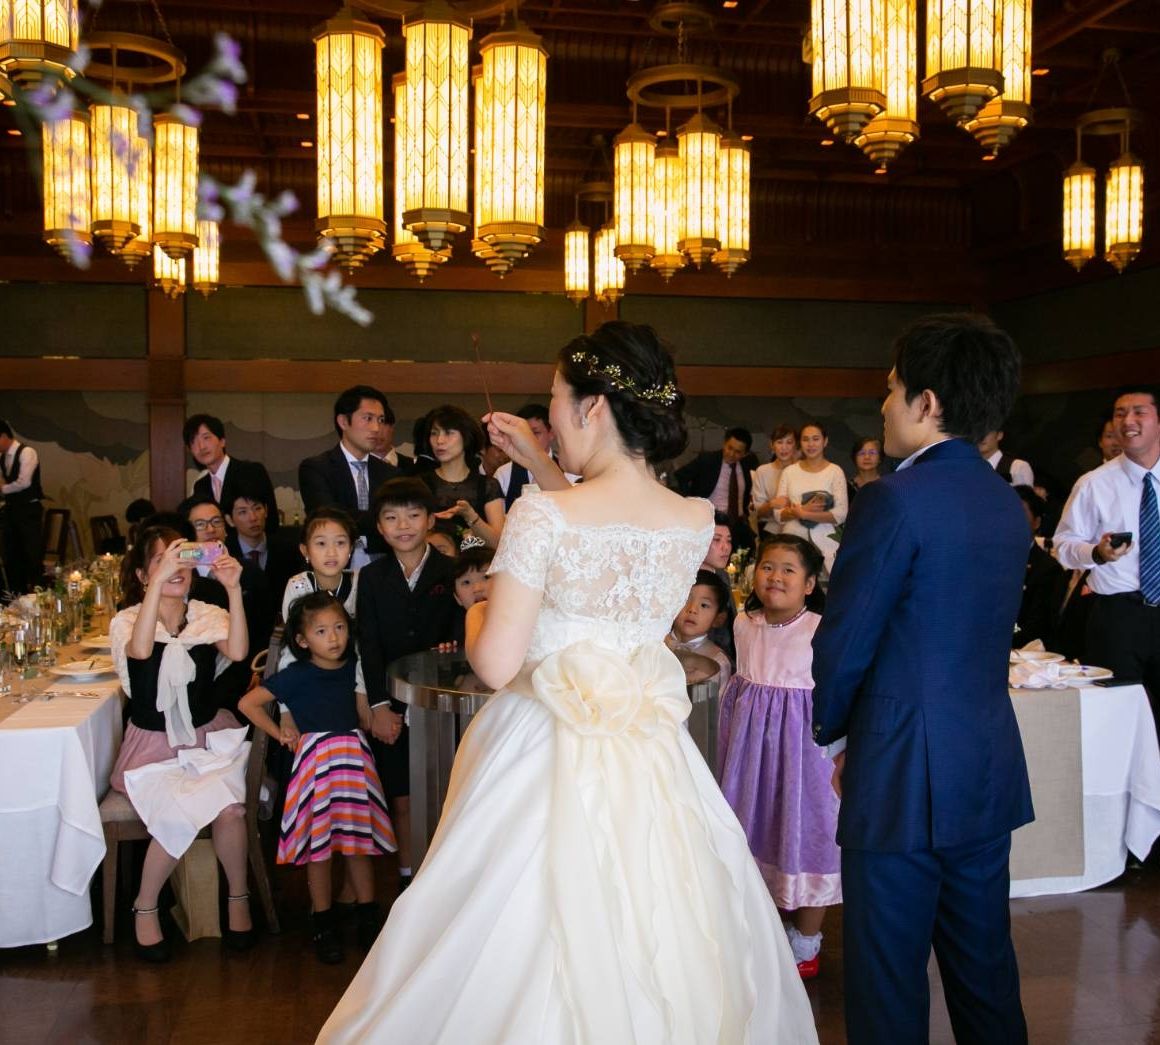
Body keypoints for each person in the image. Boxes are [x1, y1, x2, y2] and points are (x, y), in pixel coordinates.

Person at [317, 320, 817, 1044]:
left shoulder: (538, 515)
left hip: (543, 742)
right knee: (656, 919)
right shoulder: (690, 517)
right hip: (648, 753)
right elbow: (609, 533)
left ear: (593, 407)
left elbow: (495, 662)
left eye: (555, 398)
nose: (547, 417)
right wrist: (540, 465)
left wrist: (482, 604)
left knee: (516, 929)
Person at [812, 313, 1032, 1045]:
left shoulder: (894, 498)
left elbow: (846, 639)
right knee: (985, 972)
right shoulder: (1004, 502)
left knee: (887, 981)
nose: (883, 405)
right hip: (985, 762)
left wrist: (839, 735)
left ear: (927, 402)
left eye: (892, 388)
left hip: (899, 765)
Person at [108, 525, 254, 962]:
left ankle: (239, 898)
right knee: (176, 813)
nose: (175, 568)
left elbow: (239, 651)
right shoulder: (128, 621)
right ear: (142, 574)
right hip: (152, 749)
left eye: (182, 559)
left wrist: (233, 588)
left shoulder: (207, 615)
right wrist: (157, 587)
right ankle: (145, 905)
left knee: (231, 811)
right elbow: (139, 652)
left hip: (206, 743)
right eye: (161, 560)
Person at [239, 592, 395, 965]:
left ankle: (367, 916)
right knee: (318, 848)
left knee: (358, 844)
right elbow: (248, 703)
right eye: (322, 631)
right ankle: (323, 922)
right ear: (303, 640)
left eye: (339, 627)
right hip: (316, 766)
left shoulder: (354, 667)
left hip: (353, 763)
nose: (334, 637)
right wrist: (279, 732)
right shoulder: (296, 675)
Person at [718, 535, 839, 980]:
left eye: (789, 569)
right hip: (749, 756)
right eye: (768, 566)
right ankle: (761, 932)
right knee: (755, 829)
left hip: (804, 755)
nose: (775, 576)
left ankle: (806, 940)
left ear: (809, 584)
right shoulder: (743, 624)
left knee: (806, 832)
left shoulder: (820, 630)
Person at [356, 477, 460, 894]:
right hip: (394, 700)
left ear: (430, 520)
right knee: (400, 794)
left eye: (414, 515)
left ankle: (445, 875)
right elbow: (368, 643)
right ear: (380, 527)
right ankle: (407, 876)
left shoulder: (449, 570)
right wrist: (379, 706)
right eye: (392, 517)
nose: (403, 525)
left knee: (447, 788)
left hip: (442, 702)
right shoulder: (372, 576)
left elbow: (464, 627)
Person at [1053, 385, 1160, 710]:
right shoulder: (1094, 484)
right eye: (1119, 414)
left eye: (1139, 412)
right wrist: (1096, 554)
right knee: (1118, 712)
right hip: (1118, 617)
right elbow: (1062, 546)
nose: (1127, 421)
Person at [299, 386, 400, 561]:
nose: (376, 428)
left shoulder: (390, 473)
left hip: (383, 564)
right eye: (368, 418)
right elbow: (329, 516)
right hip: (334, 563)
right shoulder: (316, 468)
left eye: (381, 420)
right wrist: (384, 519)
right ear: (344, 421)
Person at [419, 404, 505, 549]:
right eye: (434, 433)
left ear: (466, 437)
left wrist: (470, 515)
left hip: (478, 562)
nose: (439, 440)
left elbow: (499, 544)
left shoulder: (488, 485)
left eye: (448, 433)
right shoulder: (420, 484)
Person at [774, 422, 849, 577]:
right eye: (805, 439)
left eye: (815, 439)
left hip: (825, 541)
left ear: (825, 441)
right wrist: (799, 511)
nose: (810, 444)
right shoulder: (789, 472)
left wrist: (804, 514)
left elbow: (840, 514)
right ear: (800, 443)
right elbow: (778, 514)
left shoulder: (835, 471)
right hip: (792, 539)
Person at [184, 414, 278, 532]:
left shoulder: (251, 471)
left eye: (206, 438)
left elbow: (270, 518)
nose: (201, 446)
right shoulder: (200, 486)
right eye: (193, 441)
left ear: (222, 441)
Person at [675, 426, 759, 552]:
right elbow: (680, 476)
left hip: (738, 522)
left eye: (737, 452)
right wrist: (689, 502)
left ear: (745, 454)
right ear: (724, 443)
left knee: (747, 553)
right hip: (711, 521)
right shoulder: (708, 460)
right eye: (729, 448)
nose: (731, 454)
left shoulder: (748, 464)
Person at [1012, 485, 1068, 650]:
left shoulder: (1047, 569)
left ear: (1037, 522)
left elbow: (1037, 628)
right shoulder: (985, 562)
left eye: (1020, 514)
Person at [665, 568, 732, 691]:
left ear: (719, 618)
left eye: (704, 605)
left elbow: (717, 702)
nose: (692, 609)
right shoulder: (655, 643)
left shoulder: (718, 661)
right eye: (685, 600)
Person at [0, 419, 44, 596]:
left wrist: (3, 489)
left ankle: (37, 595)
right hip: (11, 510)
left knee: (31, 554)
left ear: (3, 436)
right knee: (11, 554)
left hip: (28, 511)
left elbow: (24, 482)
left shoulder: (27, 452)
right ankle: (16, 596)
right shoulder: (3, 457)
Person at [751, 424, 799, 536]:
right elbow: (758, 513)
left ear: (796, 445)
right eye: (779, 442)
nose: (784, 447)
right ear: (772, 445)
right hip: (771, 529)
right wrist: (771, 504)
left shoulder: (801, 470)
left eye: (789, 442)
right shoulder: (762, 471)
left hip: (798, 527)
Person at [370, 399, 412, 472]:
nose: (377, 432)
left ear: (392, 427)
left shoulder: (412, 466)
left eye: (382, 425)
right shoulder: (355, 466)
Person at [847, 435, 884, 502]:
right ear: (855, 458)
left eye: (872, 453)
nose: (867, 457)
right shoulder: (846, 488)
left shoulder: (887, 486)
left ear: (880, 458)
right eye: (862, 453)